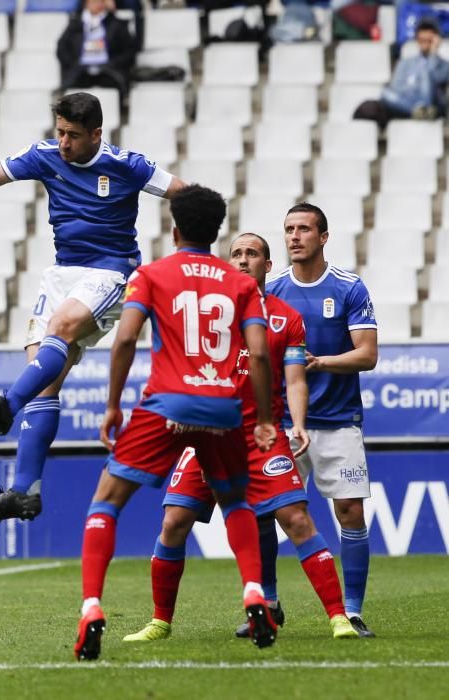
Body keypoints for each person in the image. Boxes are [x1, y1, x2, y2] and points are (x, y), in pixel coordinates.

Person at [0, 92, 186, 523]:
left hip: (113, 272)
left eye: (73, 135)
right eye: (60, 132)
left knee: (59, 329)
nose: (63, 142)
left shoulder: (126, 165)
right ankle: (25, 491)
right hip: (62, 273)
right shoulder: (45, 156)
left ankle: (8, 406)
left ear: (96, 134)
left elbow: (185, 193)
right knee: (45, 379)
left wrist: (189, 248)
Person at [122, 233, 359, 645]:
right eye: (236, 253)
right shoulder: (204, 312)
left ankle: (339, 617)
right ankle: (160, 621)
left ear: (268, 266)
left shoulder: (286, 318)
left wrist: (298, 422)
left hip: (260, 438)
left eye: (252, 254)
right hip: (206, 434)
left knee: (298, 519)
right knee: (174, 522)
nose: (243, 259)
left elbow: (295, 377)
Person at [74, 186, 279, 661]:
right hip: (224, 409)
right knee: (235, 500)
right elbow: (261, 353)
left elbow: (125, 339)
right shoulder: (241, 283)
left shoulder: (151, 274)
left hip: (166, 405)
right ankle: (253, 591)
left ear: (175, 229)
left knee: (107, 501)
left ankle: (90, 606)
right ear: (217, 232)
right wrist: (265, 417)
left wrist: (112, 406)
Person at [265, 202, 378, 637]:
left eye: (304, 229)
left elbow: (367, 355)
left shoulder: (349, 287)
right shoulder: (272, 291)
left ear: (323, 237)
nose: (294, 236)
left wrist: (320, 363)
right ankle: (268, 604)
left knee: (349, 512)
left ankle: (351, 610)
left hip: (338, 420)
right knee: (268, 514)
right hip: (284, 424)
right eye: (289, 229)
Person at [353, 19, 449, 128]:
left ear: (436, 40)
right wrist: (411, 99)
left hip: (431, 105)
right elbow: (396, 88)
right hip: (408, 104)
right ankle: (417, 111)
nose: (425, 43)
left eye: (429, 40)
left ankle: (422, 111)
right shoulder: (405, 63)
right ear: (417, 39)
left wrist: (433, 55)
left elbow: (438, 78)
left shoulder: (444, 65)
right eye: (422, 40)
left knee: (426, 72)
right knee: (385, 93)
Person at [56, 0, 136, 99]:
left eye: (100, 1)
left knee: (113, 89)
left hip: (110, 71)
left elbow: (130, 51)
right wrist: (74, 64)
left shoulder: (117, 24)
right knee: (73, 93)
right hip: (80, 72)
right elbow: (62, 49)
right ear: (86, 3)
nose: (97, 4)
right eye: (93, 1)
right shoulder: (75, 24)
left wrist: (114, 63)